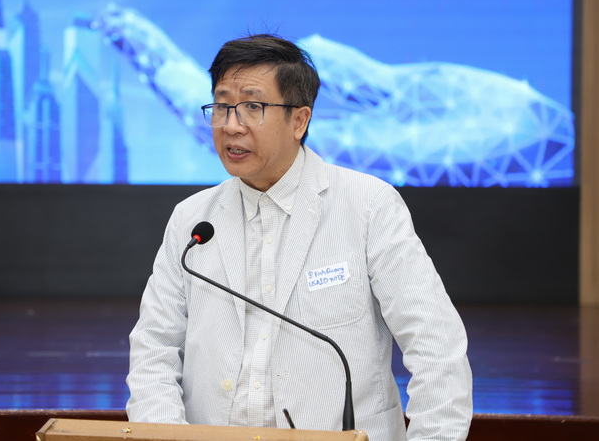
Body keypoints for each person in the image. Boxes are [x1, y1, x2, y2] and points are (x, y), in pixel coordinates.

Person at [126, 34, 473, 440]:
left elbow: (436, 349)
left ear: (299, 120)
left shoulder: (367, 206)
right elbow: (154, 350)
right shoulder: (192, 219)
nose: (231, 125)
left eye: (253, 107)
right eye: (222, 106)